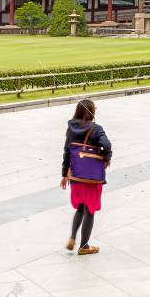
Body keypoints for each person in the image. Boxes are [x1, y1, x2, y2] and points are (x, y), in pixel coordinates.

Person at [60, 99, 112, 256]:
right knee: (90, 210)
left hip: (75, 175)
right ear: (91, 111)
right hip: (91, 177)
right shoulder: (96, 129)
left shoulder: (71, 128)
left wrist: (64, 175)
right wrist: (106, 158)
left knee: (81, 208)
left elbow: (67, 152)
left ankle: (72, 238)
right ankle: (84, 246)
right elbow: (107, 145)